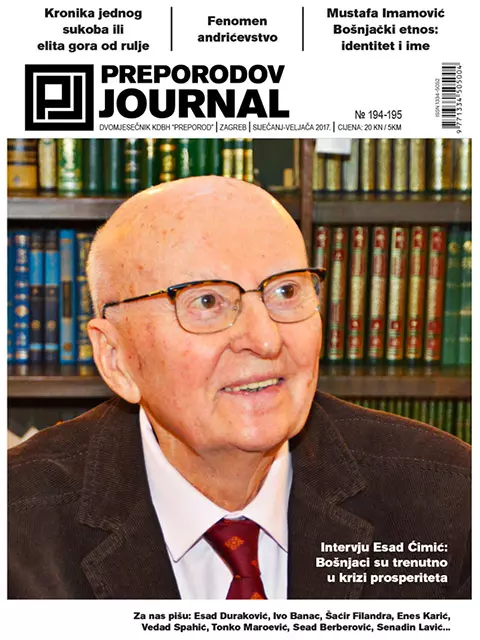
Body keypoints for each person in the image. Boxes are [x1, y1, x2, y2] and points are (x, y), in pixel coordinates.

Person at [8, 176, 470, 599]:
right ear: (115, 357)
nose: (266, 340)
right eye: (207, 301)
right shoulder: (17, 529)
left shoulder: (451, 500)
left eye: (286, 292)